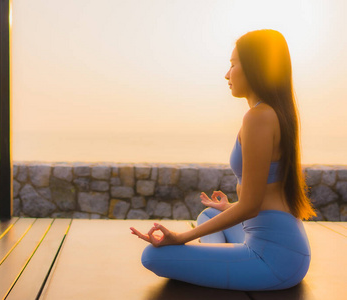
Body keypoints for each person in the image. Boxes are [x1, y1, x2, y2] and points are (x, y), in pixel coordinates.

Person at [130, 29, 316, 291]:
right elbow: (260, 201)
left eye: (232, 65)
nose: (227, 74)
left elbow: (250, 206)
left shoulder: (259, 117)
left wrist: (180, 238)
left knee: (153, 256)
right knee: (208, 214)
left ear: (254, 67)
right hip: (284, 245)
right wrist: (231, 208)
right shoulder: (273, 113)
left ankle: (231, 258)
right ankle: (228, 257)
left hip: (275, 260)